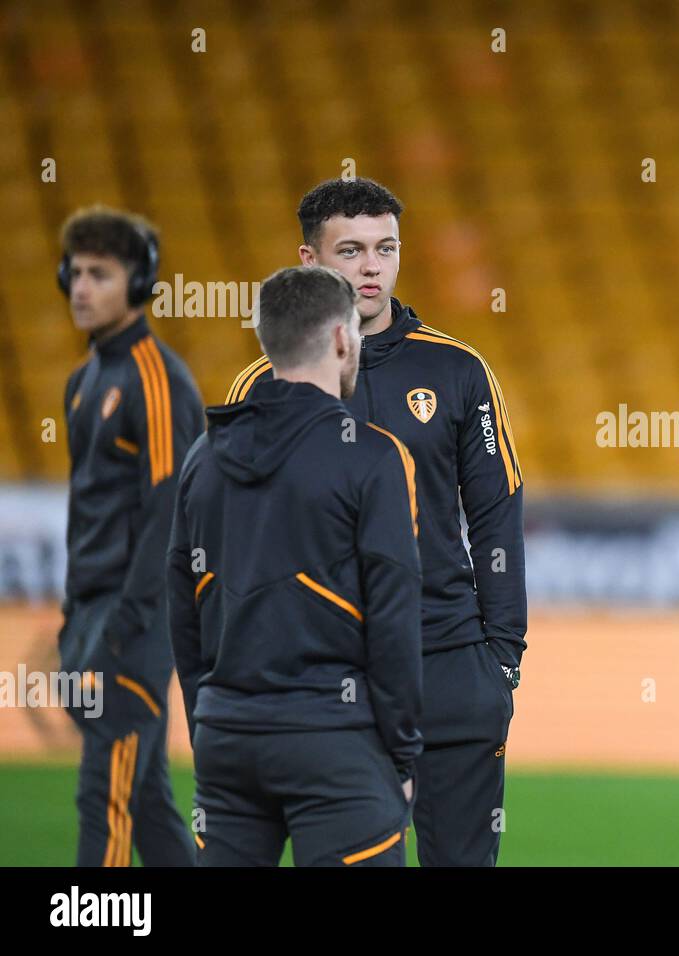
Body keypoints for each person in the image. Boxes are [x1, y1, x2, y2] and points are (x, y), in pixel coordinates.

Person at [225, 178, 526, 866]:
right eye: (351, 250)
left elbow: (498, 515)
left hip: (447, 667)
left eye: (385, 248)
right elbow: (236, 537)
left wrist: (503, 658)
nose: (370, 266)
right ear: (309, 260)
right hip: (324, 677)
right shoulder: (263, 385)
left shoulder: (457, 370)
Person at [168, 265, 423, 866]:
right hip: (335, 745)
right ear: (341, 340)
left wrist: (209, 719)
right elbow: (393, 619)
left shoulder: (203, 457)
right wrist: (404, 758)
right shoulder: (376, 457)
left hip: (227, 740)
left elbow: (183, 610)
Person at [57, 205, 203, 867]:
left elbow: (172, 508)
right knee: (143, 801)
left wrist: (130, 620)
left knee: (103, 800)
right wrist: (73, 618)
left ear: (137, 282)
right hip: (92, 616)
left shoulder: (158, 378)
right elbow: (86, 510)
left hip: (134, 620)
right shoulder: (82, 383)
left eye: (101, 274)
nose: (82, 288)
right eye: (76, 273)